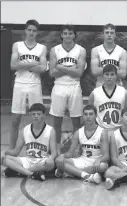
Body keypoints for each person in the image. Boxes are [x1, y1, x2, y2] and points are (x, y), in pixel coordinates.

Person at [9, 19, 47, 149]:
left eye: (34, 31)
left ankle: (38, 148)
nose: (31, 32)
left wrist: (23, 65)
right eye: (29, 30)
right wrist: (33, 63)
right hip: (19, 83)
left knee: (38, 118)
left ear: (37, 33)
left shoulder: (42, 48)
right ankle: (12, 150)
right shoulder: (17, 45)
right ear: (25, 31)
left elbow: (43, 69)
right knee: (15, 119)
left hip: (35, 84)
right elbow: (13, 65)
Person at [49, 24, 87, 149]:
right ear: (61, 35)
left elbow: (79, 73)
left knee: (76, 121)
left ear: (74, 35)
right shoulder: (54, 50)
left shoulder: (81, 50)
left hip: (74, 86)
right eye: (65, 33)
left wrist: (60, 67)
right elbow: (52, 73)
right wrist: (71, 69)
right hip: (59, 86)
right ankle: (56, 150)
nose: (67, 36)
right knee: (56, 122)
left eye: (70, 33)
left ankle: (75, 149)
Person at [54, 105, 109, 184]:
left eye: (91, 114)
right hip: (82, 161)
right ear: (83, 116)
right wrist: (62, 155)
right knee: (58, 161)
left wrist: (98, 160)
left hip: (96, 162)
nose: (88, 117)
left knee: (103, 166)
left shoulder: (102, 132)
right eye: (86, 114)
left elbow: (106, 156)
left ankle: (70, 172)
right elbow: (70, 153)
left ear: (95, 116)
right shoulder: (78, 132)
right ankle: (86, 176)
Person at [1, 103, 56, 181]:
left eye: (39, 114)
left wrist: (51, 158)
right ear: (30, 114)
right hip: (28, 160)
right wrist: (4, 152)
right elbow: (15, 152)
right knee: (2, 158)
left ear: (44, 114)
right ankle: (31, 173)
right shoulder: (25, 130)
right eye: (33, 114)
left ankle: (17, 171)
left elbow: (54, 152)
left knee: (52, 164)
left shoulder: (50, 130)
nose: (36, 116)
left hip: (42, 161)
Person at [89, 64, 127, 131]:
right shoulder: (94, 93)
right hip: (101, 130)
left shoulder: (124, 93)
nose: (109, 77)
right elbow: (90, 115)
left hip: (119, 130)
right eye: (107, 74)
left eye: (112, 74)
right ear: (102, 76)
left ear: (116, 76)